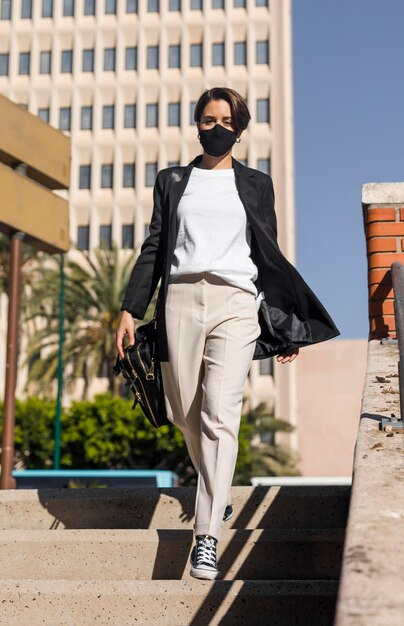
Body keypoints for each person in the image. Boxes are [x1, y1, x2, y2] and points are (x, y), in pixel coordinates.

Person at [116, 87, 340, 581]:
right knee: (183, 410)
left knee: (221, 411)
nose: (214, 127)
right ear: (196, 125)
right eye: (206, 119)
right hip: (180, 298)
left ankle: (207, 537)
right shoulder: (173, 180)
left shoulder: (257, 184)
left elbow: (269, 254)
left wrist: (284, 329)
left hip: (237, 304)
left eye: (224, 120)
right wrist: (130, 310)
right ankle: (217, 491)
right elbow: (155, 247)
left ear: (239, 129)